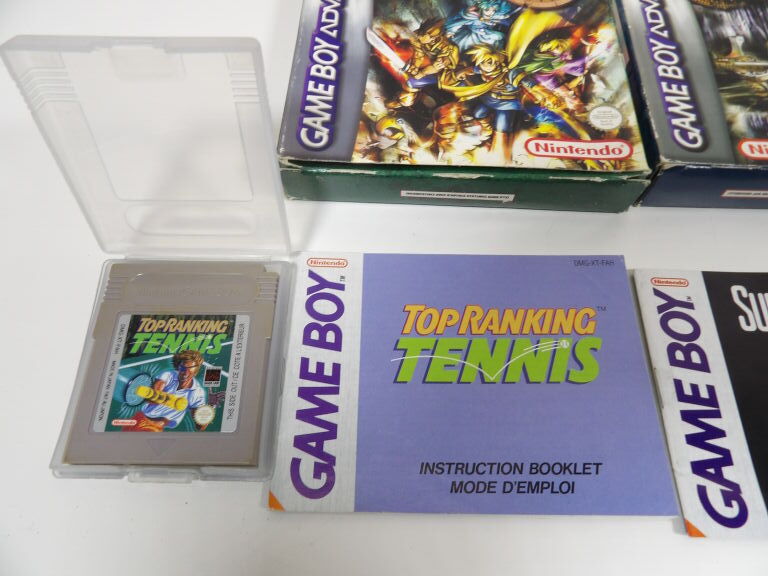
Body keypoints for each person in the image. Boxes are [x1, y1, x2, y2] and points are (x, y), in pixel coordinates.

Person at [126, 350, 213, 432]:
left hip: (154, 428)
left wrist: (210, 408)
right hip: (139, 418)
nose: (186, 373)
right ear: (178, 367)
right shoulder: (168, 375)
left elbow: (200, 427)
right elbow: (151, 399)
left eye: (190, 368)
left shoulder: (198, 393)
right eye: (183, 368)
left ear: (195, 371)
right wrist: (170, 400)